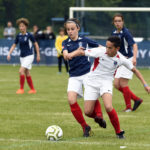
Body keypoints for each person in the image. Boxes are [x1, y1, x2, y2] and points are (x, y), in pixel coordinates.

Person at [67, 36, 150, 139]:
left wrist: (145, 85)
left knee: (108, 106)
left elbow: (135, 70)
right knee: (88, 112)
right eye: (106, 47)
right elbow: (82, 52)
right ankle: (99, 119)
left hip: (106, 83)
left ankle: (119, 132)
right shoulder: (100, 51)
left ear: (117, 48)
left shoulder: (121, 59)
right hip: (91, 82)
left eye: (110, 48)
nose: (107, 50)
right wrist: (70, 54)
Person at [62, 18, 106, 137]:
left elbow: (101, 48)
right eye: (68, 30)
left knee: (91, 97)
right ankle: (85, 126)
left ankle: (100, 117)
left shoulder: (85, 40)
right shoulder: (65, 42)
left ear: (78, 29)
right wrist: (76, 52)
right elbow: (66, 56)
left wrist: (108, 52)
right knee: (71, 100)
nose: (70, 31)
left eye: (72, 29)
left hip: (87, 74)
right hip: (74, 76)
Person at [111, 13, 142, 112]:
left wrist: (135, 58)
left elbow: (134, 45)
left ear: (123, 22)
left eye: (119, 21)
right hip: (120, 61)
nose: (118, 23)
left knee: (123, 83)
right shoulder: (114, 33)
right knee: (116, 84)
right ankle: (136, 99)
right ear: (113, 22)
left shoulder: (126, 32)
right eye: (116, 21)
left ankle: (128, 107)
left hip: (128, 60)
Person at [7, 18, 40, 94]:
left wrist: (38, 55)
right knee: (27, 72)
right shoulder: (18, 36)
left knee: (21, 71)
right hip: (22, 56)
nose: (21, 27)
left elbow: (36, 44)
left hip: (29, 56)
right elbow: (14, 45)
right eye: (20, 26)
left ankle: (21, 89)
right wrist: (9, 53)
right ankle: (32, 89)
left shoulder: (29, 35)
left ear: (26, 27)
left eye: (23, 26)